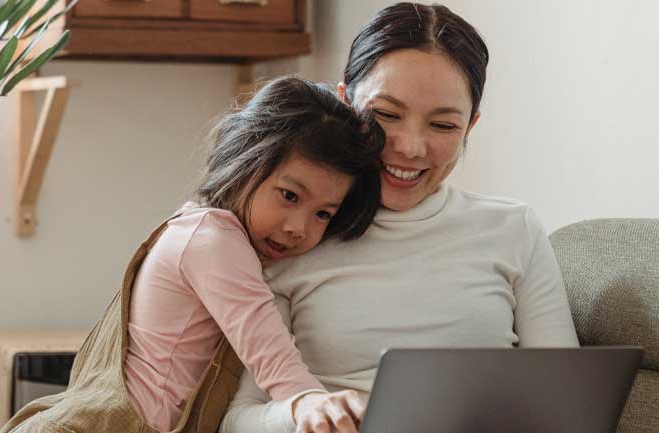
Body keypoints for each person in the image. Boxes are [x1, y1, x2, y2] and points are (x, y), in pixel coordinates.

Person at [220, 4, 580, 433]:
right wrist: (304, 415)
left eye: (443, 125)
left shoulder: (514, 228)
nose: (411, 147)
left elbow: (570, 403)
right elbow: (236, 419)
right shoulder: (295, 234)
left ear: (470, 126)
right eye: (387, 115)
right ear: (345, 103)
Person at [0, 76, 384, 433]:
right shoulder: (214, 240)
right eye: (289, 195)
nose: (298, 227)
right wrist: (307, 399)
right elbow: (265, 343)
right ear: (244, 162)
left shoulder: (199, 230)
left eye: (322, 214)